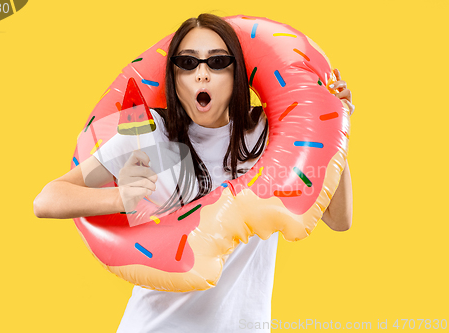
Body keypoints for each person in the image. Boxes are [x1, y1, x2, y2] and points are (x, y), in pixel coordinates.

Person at [34, 13, 354, 333]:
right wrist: (121, 196)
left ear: (236, 74)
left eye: (217, 62)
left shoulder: (270, 134)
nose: (202, 74)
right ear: (174, 77)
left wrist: (332, 127)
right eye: (188, 63)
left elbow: (340, 221)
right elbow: (47, 200)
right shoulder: (148, 134)